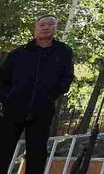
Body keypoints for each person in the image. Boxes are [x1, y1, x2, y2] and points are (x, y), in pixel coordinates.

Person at [0, 15, 74, 174]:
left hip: (43, 110)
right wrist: (7, 98)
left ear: (56, 28)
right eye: (42, 25)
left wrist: (51, 94)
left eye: (50, 24)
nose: (46, 27)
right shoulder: (19, 53)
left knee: (37, 153)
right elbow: (2, 79)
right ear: (35, 29)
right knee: (3, 149)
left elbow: (67, 77)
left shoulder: (64, 51)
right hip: (14, 109)